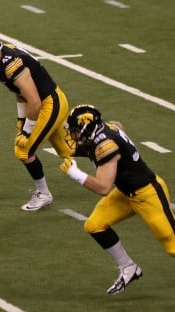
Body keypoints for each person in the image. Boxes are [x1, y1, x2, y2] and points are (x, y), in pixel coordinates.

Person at [61, 104, 174, 296]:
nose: (72, 135)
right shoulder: (104, 129)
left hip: (147, 194)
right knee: (94, 225)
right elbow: (117, 127)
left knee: (172, 246)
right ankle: (129, 267)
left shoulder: (106, 145)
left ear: (87, 129)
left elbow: (104, 187)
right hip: (125, 193)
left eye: (75, 131)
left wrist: (75, 174)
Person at [0, 30, 74, 211]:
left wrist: (27, 130)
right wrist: (20, 121)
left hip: (49, 103)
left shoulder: (11, 66)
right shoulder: (0, 59)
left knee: (23, 151)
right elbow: (19, 93)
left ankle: (44, 194)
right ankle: (110, 142)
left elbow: (34, 101)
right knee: (70, 150)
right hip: (46, 101)